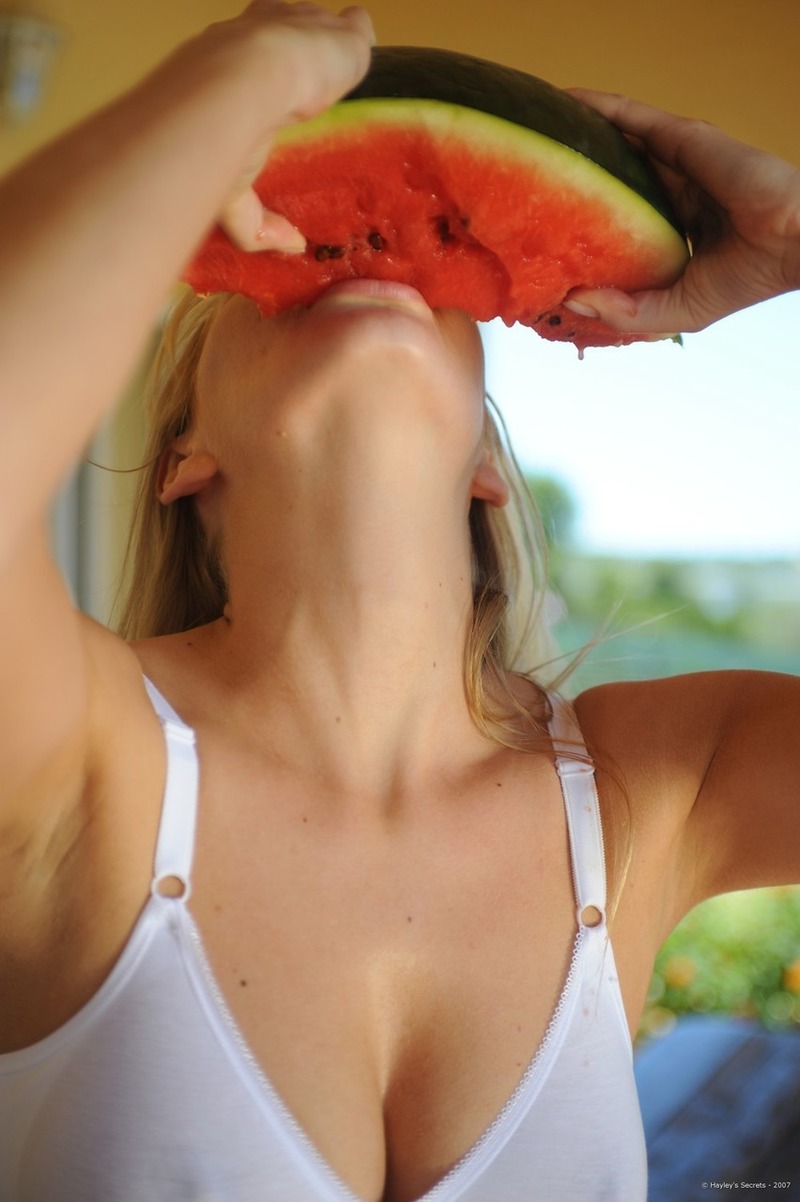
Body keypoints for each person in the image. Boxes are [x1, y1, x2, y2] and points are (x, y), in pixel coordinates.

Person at [0, 2, 798, 1199]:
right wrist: (244, 69)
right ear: (186, 459)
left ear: (484, 460)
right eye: (296, 250)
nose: (366, 254)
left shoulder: (655, 787)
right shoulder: (74, 757)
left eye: (421, 261)